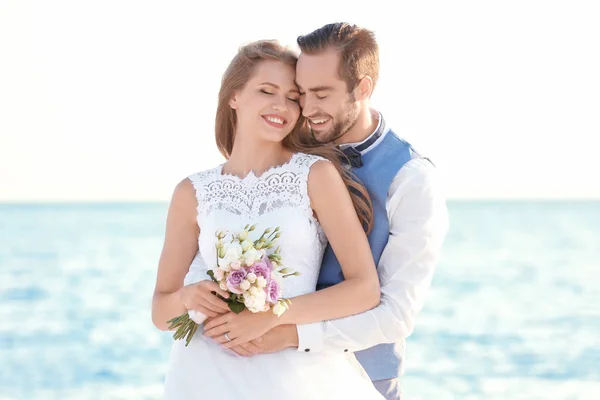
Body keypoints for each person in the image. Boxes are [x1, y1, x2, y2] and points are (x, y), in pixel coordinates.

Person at [217, 23, 450, 400]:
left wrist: (290, 335)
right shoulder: (291, 149)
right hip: (274, 375)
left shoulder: (411, 179)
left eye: (322, 94)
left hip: (361, 380)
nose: (307, 109)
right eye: (302, 93)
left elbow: (396, 316)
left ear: (363, 88)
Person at [151, 39, 386, 399]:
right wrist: (189, 297)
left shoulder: (316, 175)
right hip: (204, 376)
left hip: (292, 374)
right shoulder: (192, 192)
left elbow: (364, 289)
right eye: (266, 91)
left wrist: (274, 314)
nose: (282, 106)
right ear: (234, 96)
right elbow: (160, 312)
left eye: (293, 97)